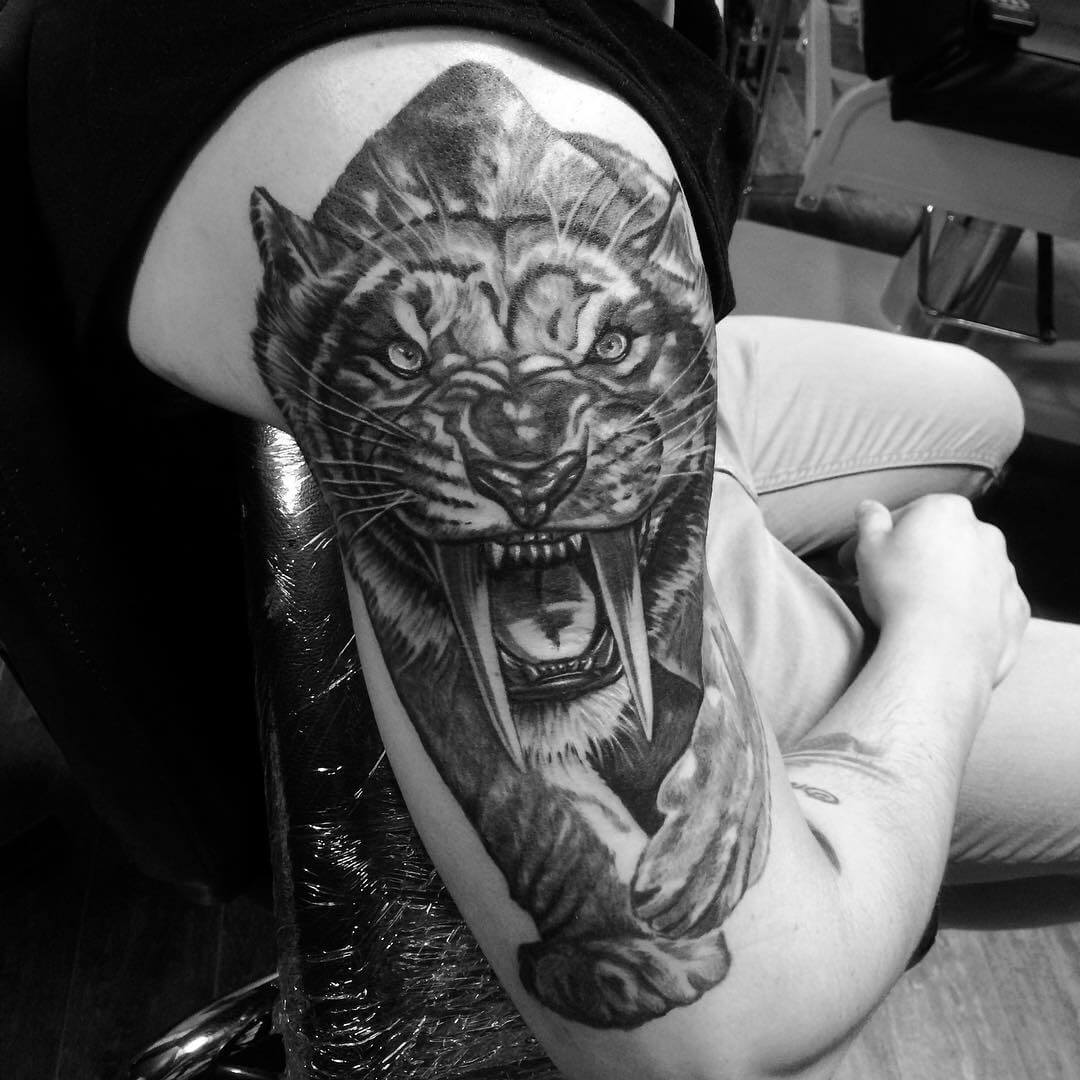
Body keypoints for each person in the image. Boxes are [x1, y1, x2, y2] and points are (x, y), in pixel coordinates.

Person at [23, 1, 1077, 1076]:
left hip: (656, 414)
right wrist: (944, 628)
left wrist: (626, 355)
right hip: (441, 518)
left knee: (979, 404)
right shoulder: (403, 73)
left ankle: (879, 854)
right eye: (409, 350)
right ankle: (841, 856)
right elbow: (715, 1045)